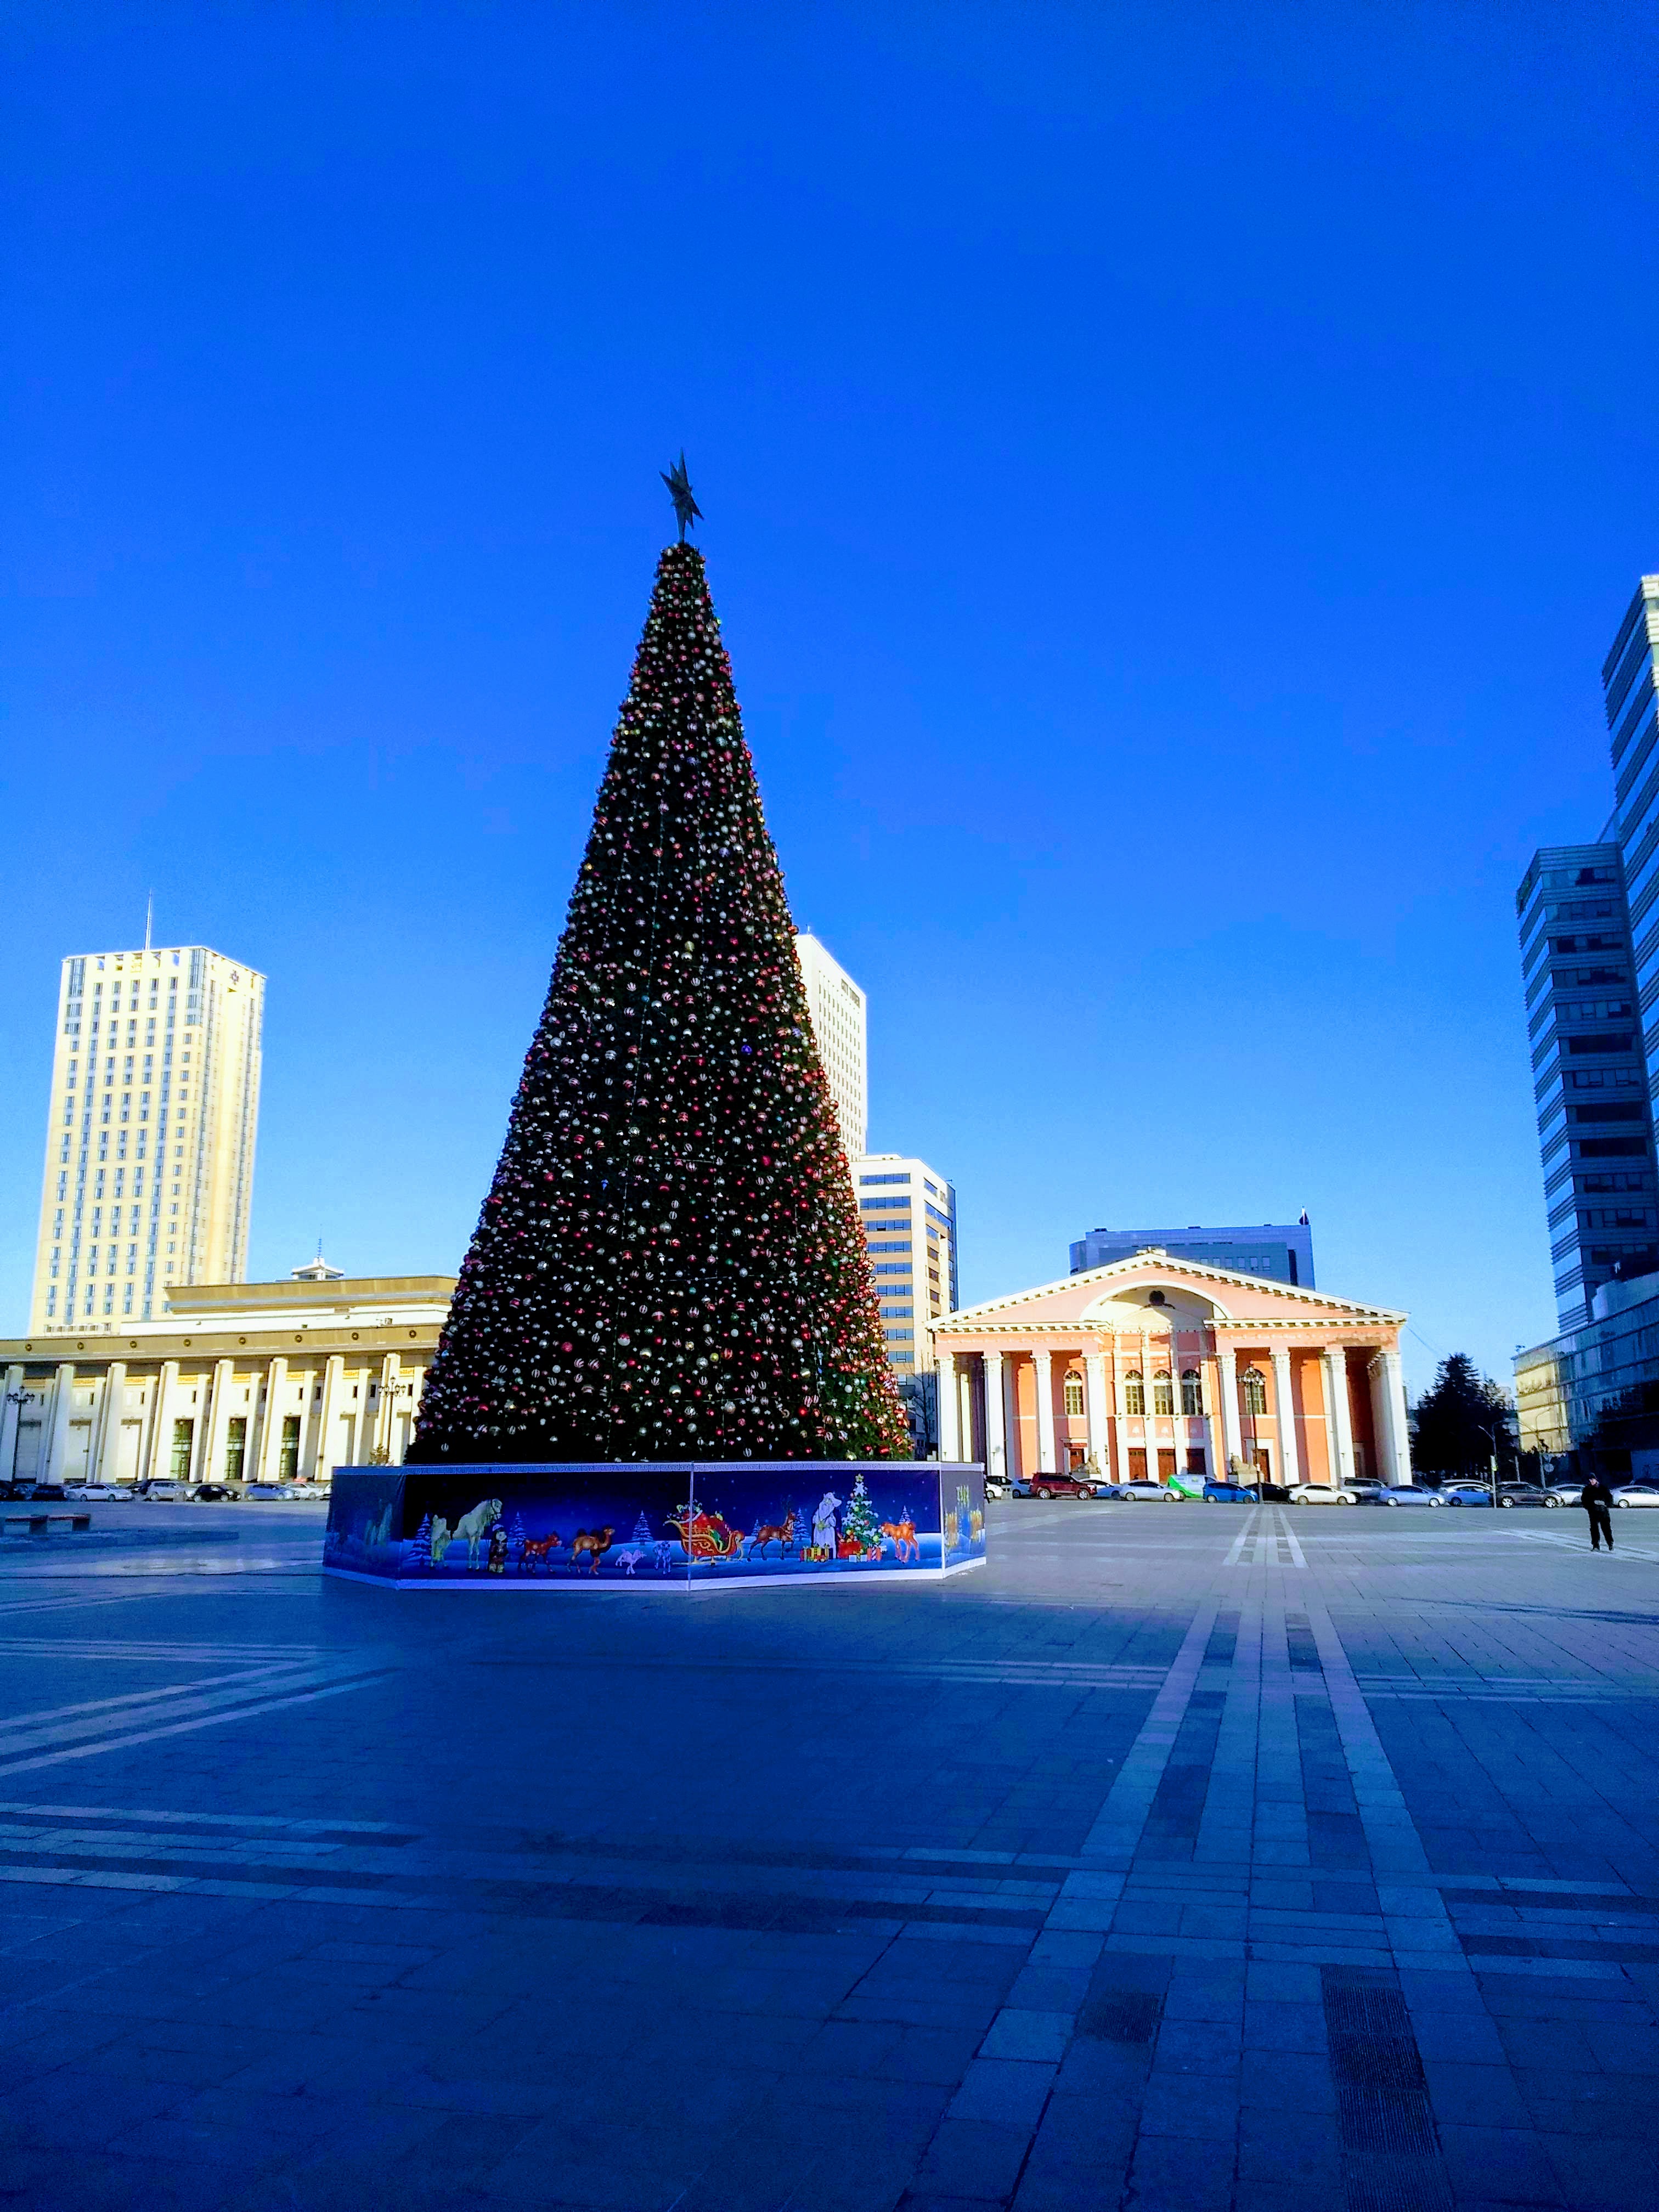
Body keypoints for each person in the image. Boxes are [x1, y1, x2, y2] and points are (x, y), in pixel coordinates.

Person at [1579, 1472, 1616, 1551]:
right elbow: (1584, 1500)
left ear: (1596, 1479)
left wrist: (1606, 1505)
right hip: (1593, 1512)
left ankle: (1610, 1543)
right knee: (1594, 1529)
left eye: (1593, 1479)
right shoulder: (1587, 1489)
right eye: (1590, 1480)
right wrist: (1590, 1507)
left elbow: (1610, 1498)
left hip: (1604, 1512)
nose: (1591, 1481)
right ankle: (1596, 1545)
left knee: (1606, 1529)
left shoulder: (1603, 1488)